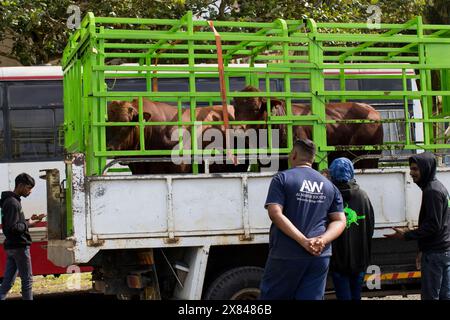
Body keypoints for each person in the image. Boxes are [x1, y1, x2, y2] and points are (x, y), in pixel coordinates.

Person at [259, 139, 346, 300]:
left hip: (287, 254)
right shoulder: (329, 185)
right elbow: (340, 220)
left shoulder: (282, 179)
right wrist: (322, 240)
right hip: (319, 255)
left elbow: (275, 213)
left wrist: (304, 241)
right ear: (312, 159)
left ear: (294, 154)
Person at [385, 152, 450, 300]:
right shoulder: (439, 187)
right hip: (442, 251)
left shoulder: (432, 191)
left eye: (415, 169)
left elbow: (434, 225)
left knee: (430, 296)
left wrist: (407, 235)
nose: (411, 173)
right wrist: (421, 248)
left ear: (426, 169)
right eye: (411, 169)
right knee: (444, 296)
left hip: (435, 254)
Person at [328, 157, 375, 300]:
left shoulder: (329, 196)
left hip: (338, 260)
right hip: (360, 258)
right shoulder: (363, 196)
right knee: (356, 296)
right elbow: (370, 227)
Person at [0, 173, 46, 300]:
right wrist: (28, 223)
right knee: (27, 281)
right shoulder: (12, 203)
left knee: (7, 283)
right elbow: (13, 228)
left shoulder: (11, 201)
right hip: (19, 247)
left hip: (12, 247)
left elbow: (14, 224)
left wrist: (29, 221)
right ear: (20, 186)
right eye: (28, 188)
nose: (30, 191)